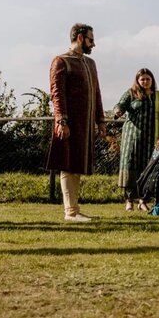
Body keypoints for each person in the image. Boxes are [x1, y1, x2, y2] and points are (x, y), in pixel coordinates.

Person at [45, 23, 105, 222]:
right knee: (68, 164)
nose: (93, 44)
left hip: (85, 124)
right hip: (68, 123)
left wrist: (100, 121)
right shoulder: (61, 61)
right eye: (90, 39)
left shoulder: (91, 63)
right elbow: (57, 93)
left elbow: (96, 93)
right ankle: (70, 212)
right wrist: (61, 120)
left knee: (77, 165)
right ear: (80, 38)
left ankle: (75, 209)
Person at [112, 68, 159, 211]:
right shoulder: (131, 93)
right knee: (130, 166)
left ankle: (143, 200)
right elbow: (120, 105)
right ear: (137, 81)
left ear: (152, 80)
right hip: (132, 137)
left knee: (147, 168)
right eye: (142, 79)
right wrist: (117, 111)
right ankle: (129, 200)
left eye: (148, 79)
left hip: (152, 138)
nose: (145, 82)